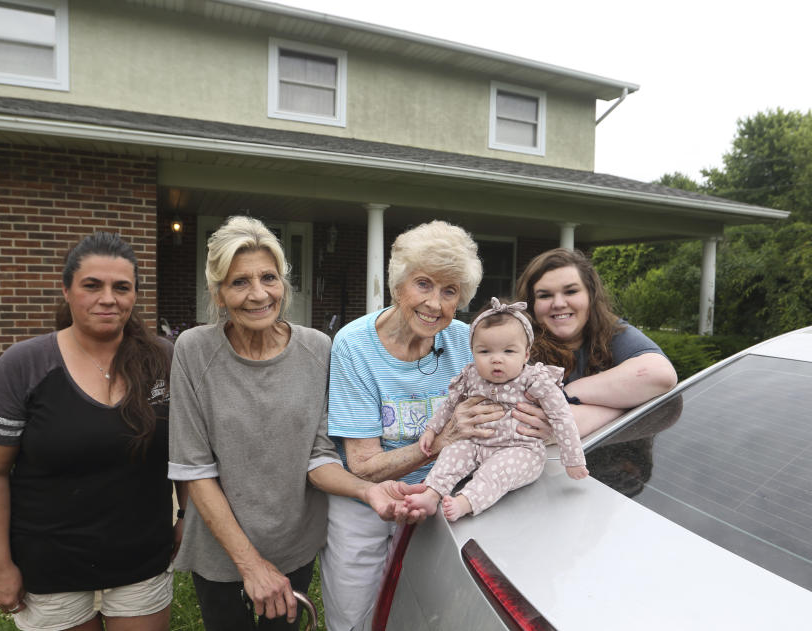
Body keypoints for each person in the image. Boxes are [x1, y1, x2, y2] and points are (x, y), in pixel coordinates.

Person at [167, 216, 424, 631]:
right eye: (239, 282)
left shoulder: (317, 348)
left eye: (268, 277)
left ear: (283, 283)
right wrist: (250, 566)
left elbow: (318, 455)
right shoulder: (193, 350)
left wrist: (369, 490)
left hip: (294, 545)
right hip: (220, 551)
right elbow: (194, 469)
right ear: (218, 293)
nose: (258, 294)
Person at [0, 232, 182, 631]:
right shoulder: (24, 365)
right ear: (66, 290)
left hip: (142, 560)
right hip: (49, 567)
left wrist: (187, 515)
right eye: (92, 285)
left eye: (122, 287)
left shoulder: (162, 360)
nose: (108, 298)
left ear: (135, 295)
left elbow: (187, 448)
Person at [320, 220, 503, 631]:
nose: (435, 304)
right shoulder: (354, 346)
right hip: (365, 503)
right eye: (423, 284)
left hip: (442, 498)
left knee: (428, 614)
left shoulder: (468, 340)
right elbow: (364, 464)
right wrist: (441, 440)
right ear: (398, 285)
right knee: (354, 618)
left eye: (449, 290)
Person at [403, 297, 588, 522]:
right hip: (476, 443)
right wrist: (432, 430)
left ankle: (466, 501)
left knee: (498, 471)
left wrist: (573, 458)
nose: (496, 360)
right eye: (485, 352)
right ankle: (432, 493)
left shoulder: (535, 380)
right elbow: (449, 405)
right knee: (452, 453)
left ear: (526, 355)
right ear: (473, 352)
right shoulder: (471, 376)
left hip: (521, 449)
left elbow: (561, 417)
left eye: (508, 351)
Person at [512, 248, 678, 441]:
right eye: (545, 295)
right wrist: (628, 404)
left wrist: (565, 395)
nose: (558, 303)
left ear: (590, 296)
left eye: (571, 291)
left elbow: (661, 375)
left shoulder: (612, 332)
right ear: (531, 304)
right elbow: (531, 428)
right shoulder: (516, 346)